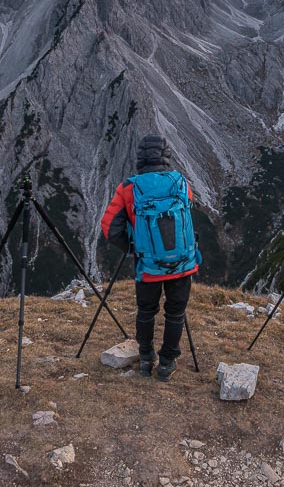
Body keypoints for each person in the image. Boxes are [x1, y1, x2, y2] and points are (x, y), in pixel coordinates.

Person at [100, 134, 201, 382]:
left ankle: (146, 359)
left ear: (139, 158)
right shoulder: (181, 182)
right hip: (182, 264)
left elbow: (109, 228)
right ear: (166, 156)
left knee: (146, 312)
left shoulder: (129, 188)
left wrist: (133, 247)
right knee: (175, 313)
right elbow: (189, 209)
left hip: (148, 267)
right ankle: (167, 363)